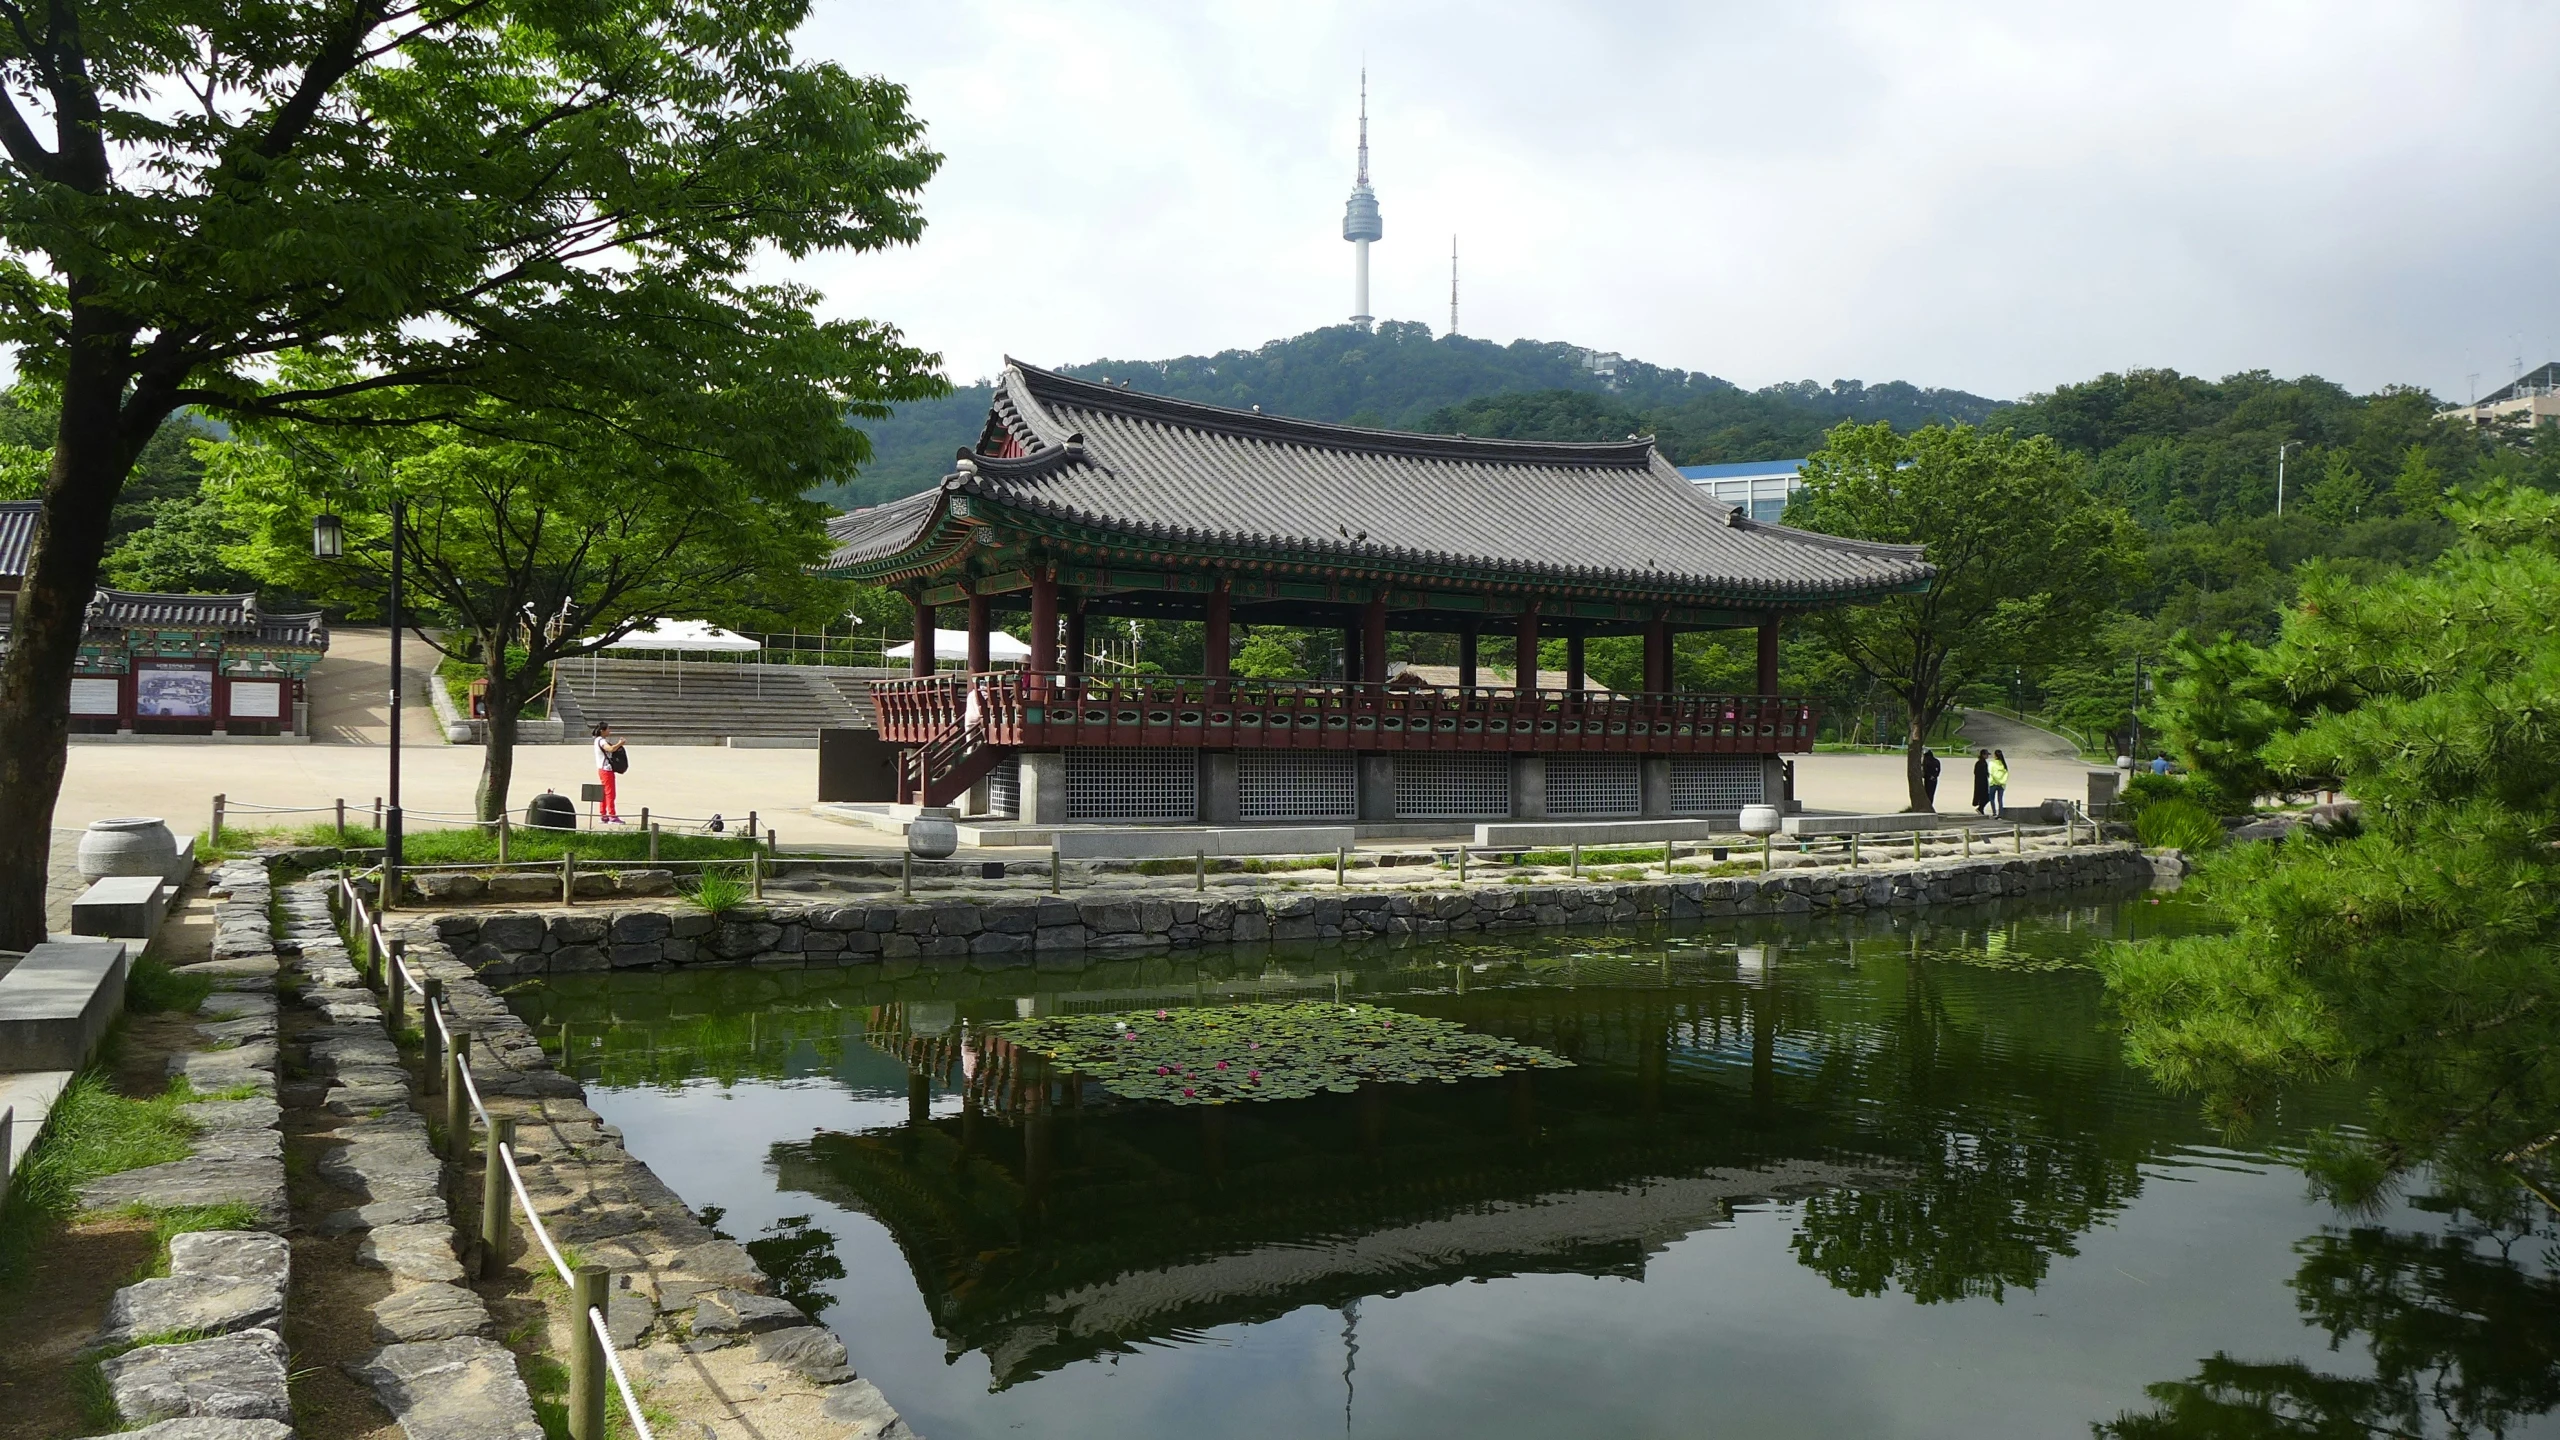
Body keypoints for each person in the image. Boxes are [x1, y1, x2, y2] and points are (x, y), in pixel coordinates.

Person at [592, 722, 627, 824]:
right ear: (602, 731)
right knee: (610, 793)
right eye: (607, 729)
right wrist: (620, 743)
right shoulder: (602, 741)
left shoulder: (597, 740)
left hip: (602, 769)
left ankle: (603, 814)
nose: (609, 731)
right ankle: (612, 815)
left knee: (604, 793)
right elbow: (610, 749)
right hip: (606, 770)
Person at [1986, 748, 2010, 819]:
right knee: (2000, 799)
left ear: (1995, 755)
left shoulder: (1991, 763)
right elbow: (2006, 774)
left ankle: (1994, 813)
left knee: (1992, 798)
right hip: (2002, 784)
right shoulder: (2004, 764)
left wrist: (1996, 781)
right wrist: (2002, 782)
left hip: (1993, 783)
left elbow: (1991, 773)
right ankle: (2000, 814)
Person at [1971, 750, 1992, 815]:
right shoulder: (1980, 763)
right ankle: (1980, 808)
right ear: (1983, 755)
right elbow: (1977, 773)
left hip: (1984, 782)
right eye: (1986, 755)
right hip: (1981, 783)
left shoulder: (1984, 762)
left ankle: (1981, 808)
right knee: (1986, 797)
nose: (1987, 756)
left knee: (1985, 797)